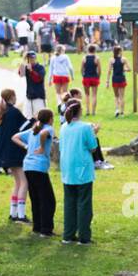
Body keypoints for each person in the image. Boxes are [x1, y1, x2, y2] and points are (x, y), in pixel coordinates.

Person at [58, 102, 97, 245]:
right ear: (80, 111)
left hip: (68, 169)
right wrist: (94, 133)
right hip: (82, 169)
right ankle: (84, 237)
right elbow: (93, 148)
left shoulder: (63, 127)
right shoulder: (86, 127)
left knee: (69, 203)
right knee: (84, 204)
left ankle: (68, 235)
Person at [15, 108, 56, 236]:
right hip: (39, 167)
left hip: (27, 166)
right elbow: (44, 134)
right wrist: (43, 147)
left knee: (36, 198)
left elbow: (15, 137)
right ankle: (46, 229)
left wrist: (26, 147)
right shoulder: (48, 128)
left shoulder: (33, 129)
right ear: (50, 119)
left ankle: (37, 227)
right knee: (48, 200)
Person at [0, 89, 28, 222]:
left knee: (17, 182)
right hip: (15, 152)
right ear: (12, 97)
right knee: (24, 182)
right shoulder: (14, 112)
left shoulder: (2, 113)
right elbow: (27, 127)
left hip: (5, 153)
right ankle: (21, 215)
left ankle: (13, 213)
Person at [19, 50, 47, 117]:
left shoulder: (40, 67)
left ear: (35, 58)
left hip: (39, 96)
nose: (31, 59)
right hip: (29, 96)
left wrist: (31, 71)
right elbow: (21, 74)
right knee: (27, 116)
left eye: (32, 58)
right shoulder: (26, 67)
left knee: (40, 116)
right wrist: (23, 63)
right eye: (29, 58)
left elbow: (38, 79)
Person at [80, 44, 101, 116]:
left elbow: (81, 69)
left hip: (86, 77)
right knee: (94, 95)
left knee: (87, 95)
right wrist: (98, 77)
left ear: (88, 50)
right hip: (94, 77)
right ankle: (93, 112)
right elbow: (99, 70)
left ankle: (87, 111)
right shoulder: (96, 58)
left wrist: (83, 75)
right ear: (94, 50)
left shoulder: (84, 58)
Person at [108, 46, 127, 117]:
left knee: (116, 96)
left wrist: (107, 81)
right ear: (120, 51)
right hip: (122, 78)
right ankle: (122, 112)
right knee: (122, 96)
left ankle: (116, 110)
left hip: (115, 79)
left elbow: (109, 71)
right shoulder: (123, 59)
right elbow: (129, 68)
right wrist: (124, 69)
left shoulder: (111, 60)